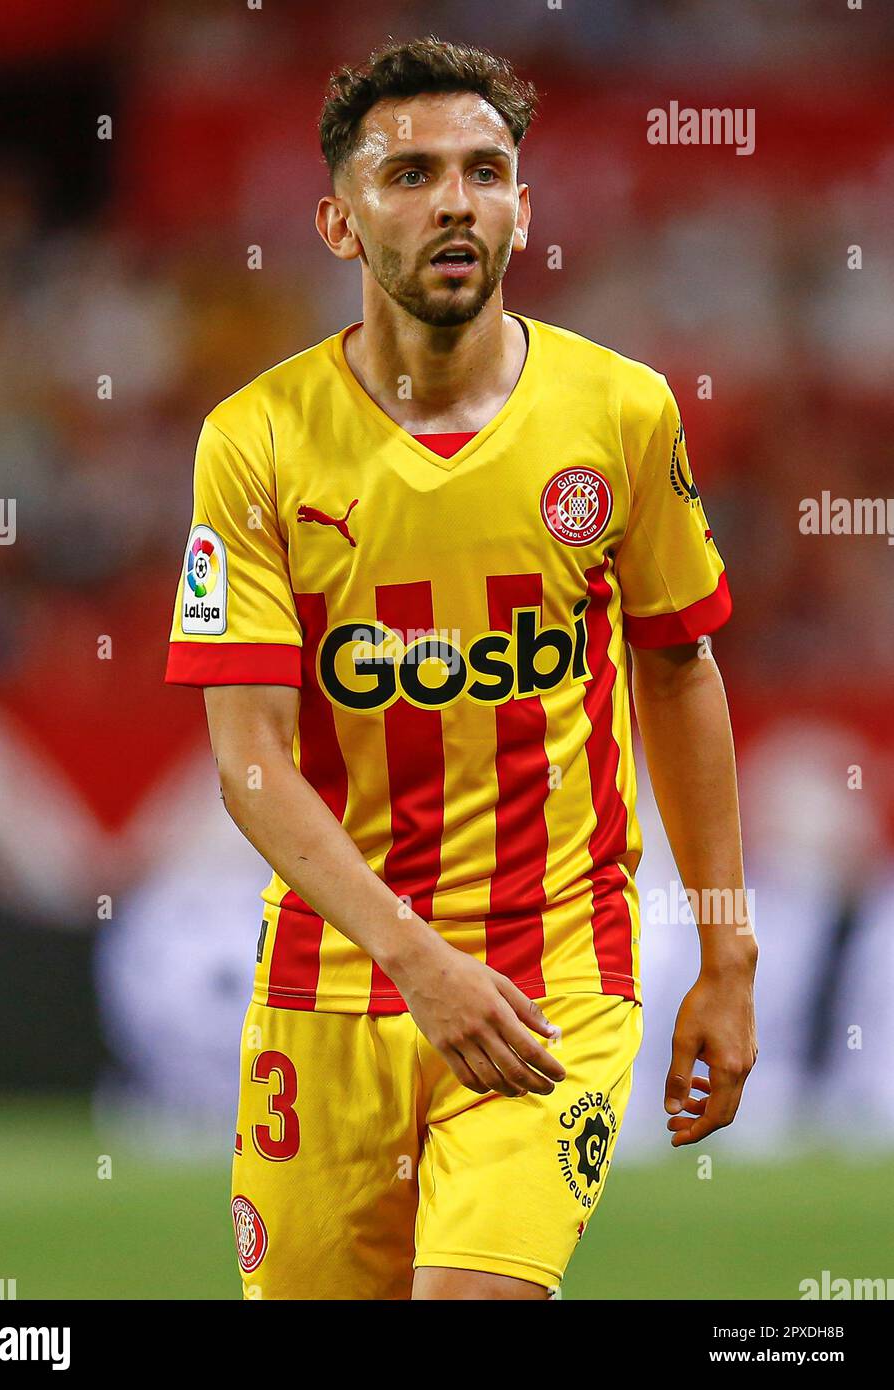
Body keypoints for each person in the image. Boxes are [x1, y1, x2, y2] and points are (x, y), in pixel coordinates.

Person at [165, 36, 758, 1301]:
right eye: (411, 173)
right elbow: (249, 759)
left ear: (523, 206)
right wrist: (416, 962)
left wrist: (727, 953)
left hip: (557, 978)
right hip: (331, 987)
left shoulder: (623, 413)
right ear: (338, 219)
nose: (454, 201)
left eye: (486, 171)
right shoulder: (256, 441)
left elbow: (681, 665)